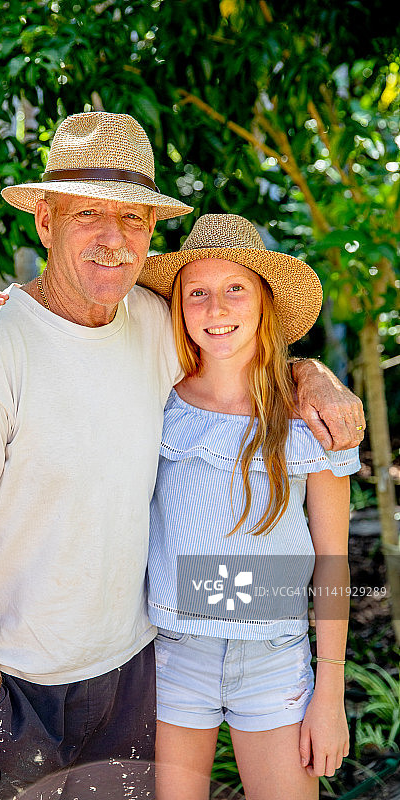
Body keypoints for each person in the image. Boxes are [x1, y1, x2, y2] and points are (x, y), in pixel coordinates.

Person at [0, 111, 364, 800]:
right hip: (25, 684)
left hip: (139, 672)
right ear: (45, 222)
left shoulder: (154, 327)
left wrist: (311, 375)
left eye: (132, 217)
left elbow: (238, 355)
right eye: (88, 212)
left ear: (151, 230)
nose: (112, 237)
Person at [136, 213, 359, 800]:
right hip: (173, 653)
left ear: (264, 302)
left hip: (275, 657)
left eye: (235, 288)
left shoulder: (310, 418)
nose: (216, 308)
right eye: (197, 293)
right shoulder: (155, 400)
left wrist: (330, 691)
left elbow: (333, 561)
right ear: (178, 307)